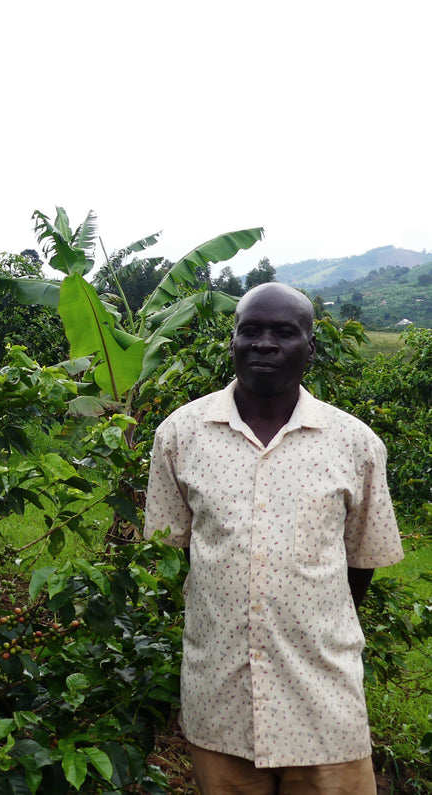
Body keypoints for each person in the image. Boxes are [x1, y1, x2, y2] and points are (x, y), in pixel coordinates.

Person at [143, 282, 404, 794]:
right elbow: (180, 552)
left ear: (310, 348)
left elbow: (361, 560)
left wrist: (313, 628)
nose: (264, 343)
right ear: (233, 341)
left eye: (284, 332)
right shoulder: (180, 435)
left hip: (323, 702)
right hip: (221, 700)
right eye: (251, 330)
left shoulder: (355, 444)